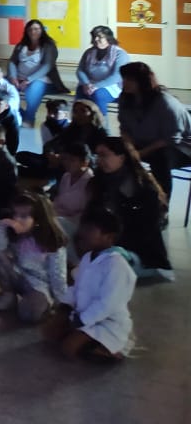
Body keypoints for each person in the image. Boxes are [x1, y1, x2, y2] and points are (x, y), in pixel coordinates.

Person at [45, 208, 138, 362]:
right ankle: (83, 337)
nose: (82, 233)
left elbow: (108, 303)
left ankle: (114, 350)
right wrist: (65, 306)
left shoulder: (117, 265)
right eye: (83, 227)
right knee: (49, 333)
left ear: (109, 237)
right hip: (82, 315)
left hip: (106, 322)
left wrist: (83, 320)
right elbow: (76, 287)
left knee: (69, 348)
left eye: (90, 229)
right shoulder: (88, 257)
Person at [87, 136, 171, 275]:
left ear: (122, 157)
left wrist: (108, 241)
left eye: (104, 155)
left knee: (105, 264)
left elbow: (145, 231)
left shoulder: (143, 189)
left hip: (138, 254)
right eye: (97, 155)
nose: (99, 160)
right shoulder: (99, 182)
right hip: (107, 245)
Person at [0, 192, 70, 322]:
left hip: (39, 285)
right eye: (15, 214)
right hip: (16, 275)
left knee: (28, 314)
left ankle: (38, 303)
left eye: (24, 216)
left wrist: (61, 303)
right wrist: (2, 225)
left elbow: (58, 274)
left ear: (38, 219)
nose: (17, 220)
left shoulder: (51, 240)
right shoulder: (11, 232)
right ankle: (9, 294)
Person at [116, 60, 191, 199]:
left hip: (181, 147)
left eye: (130, 79)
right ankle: (125, 199)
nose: (125, 83)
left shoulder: (164, 102)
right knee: (114, 151)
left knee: (161, 159)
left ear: (142, 81)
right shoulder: (125, 98)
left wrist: (141, 153)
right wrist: (131, 148)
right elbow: (124, 127)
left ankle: (161, 206)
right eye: (124, 79)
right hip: (144, 142)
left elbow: (171, 138)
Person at [8, 19, 62, 126]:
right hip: (19, 78)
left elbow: (47, 66)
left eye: (36, 29)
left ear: (42, 30)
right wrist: (13, 77)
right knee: (1, 86)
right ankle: (19, 114)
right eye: (30, 29)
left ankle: (29, 119)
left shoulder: (49, 45)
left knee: (33, 90)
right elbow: (12, 62)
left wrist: (28, 80)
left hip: (41, 79)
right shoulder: (21, 45)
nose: (33, 32)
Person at [75, 26, 129, 118]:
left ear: (108, 38)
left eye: (100, 37)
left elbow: (117, 76)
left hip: (112, 86)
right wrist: (86, 83)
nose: (96, 39)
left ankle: (102, 126)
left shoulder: (120, 54)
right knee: (80, 91)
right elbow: (80, 70)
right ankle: (80, 122)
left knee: (98, 94)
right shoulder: (89, 52)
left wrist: (95, 86)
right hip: (89, 85)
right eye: (94, 36)